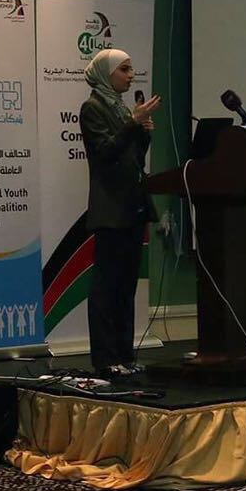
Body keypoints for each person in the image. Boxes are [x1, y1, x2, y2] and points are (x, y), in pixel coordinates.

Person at [79, 48, 162, 378]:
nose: (131, 75)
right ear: (106, 73)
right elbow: (105, 153)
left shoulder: (122, 108)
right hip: (111, 209)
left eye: (131, 69)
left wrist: (144, 133)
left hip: (132, 206)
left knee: (127, 286)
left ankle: (125, 356)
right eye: (124, 69)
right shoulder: (93, 108)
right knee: (107, 286)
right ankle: (105, 358)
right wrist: (133, 123)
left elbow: (134, 158)